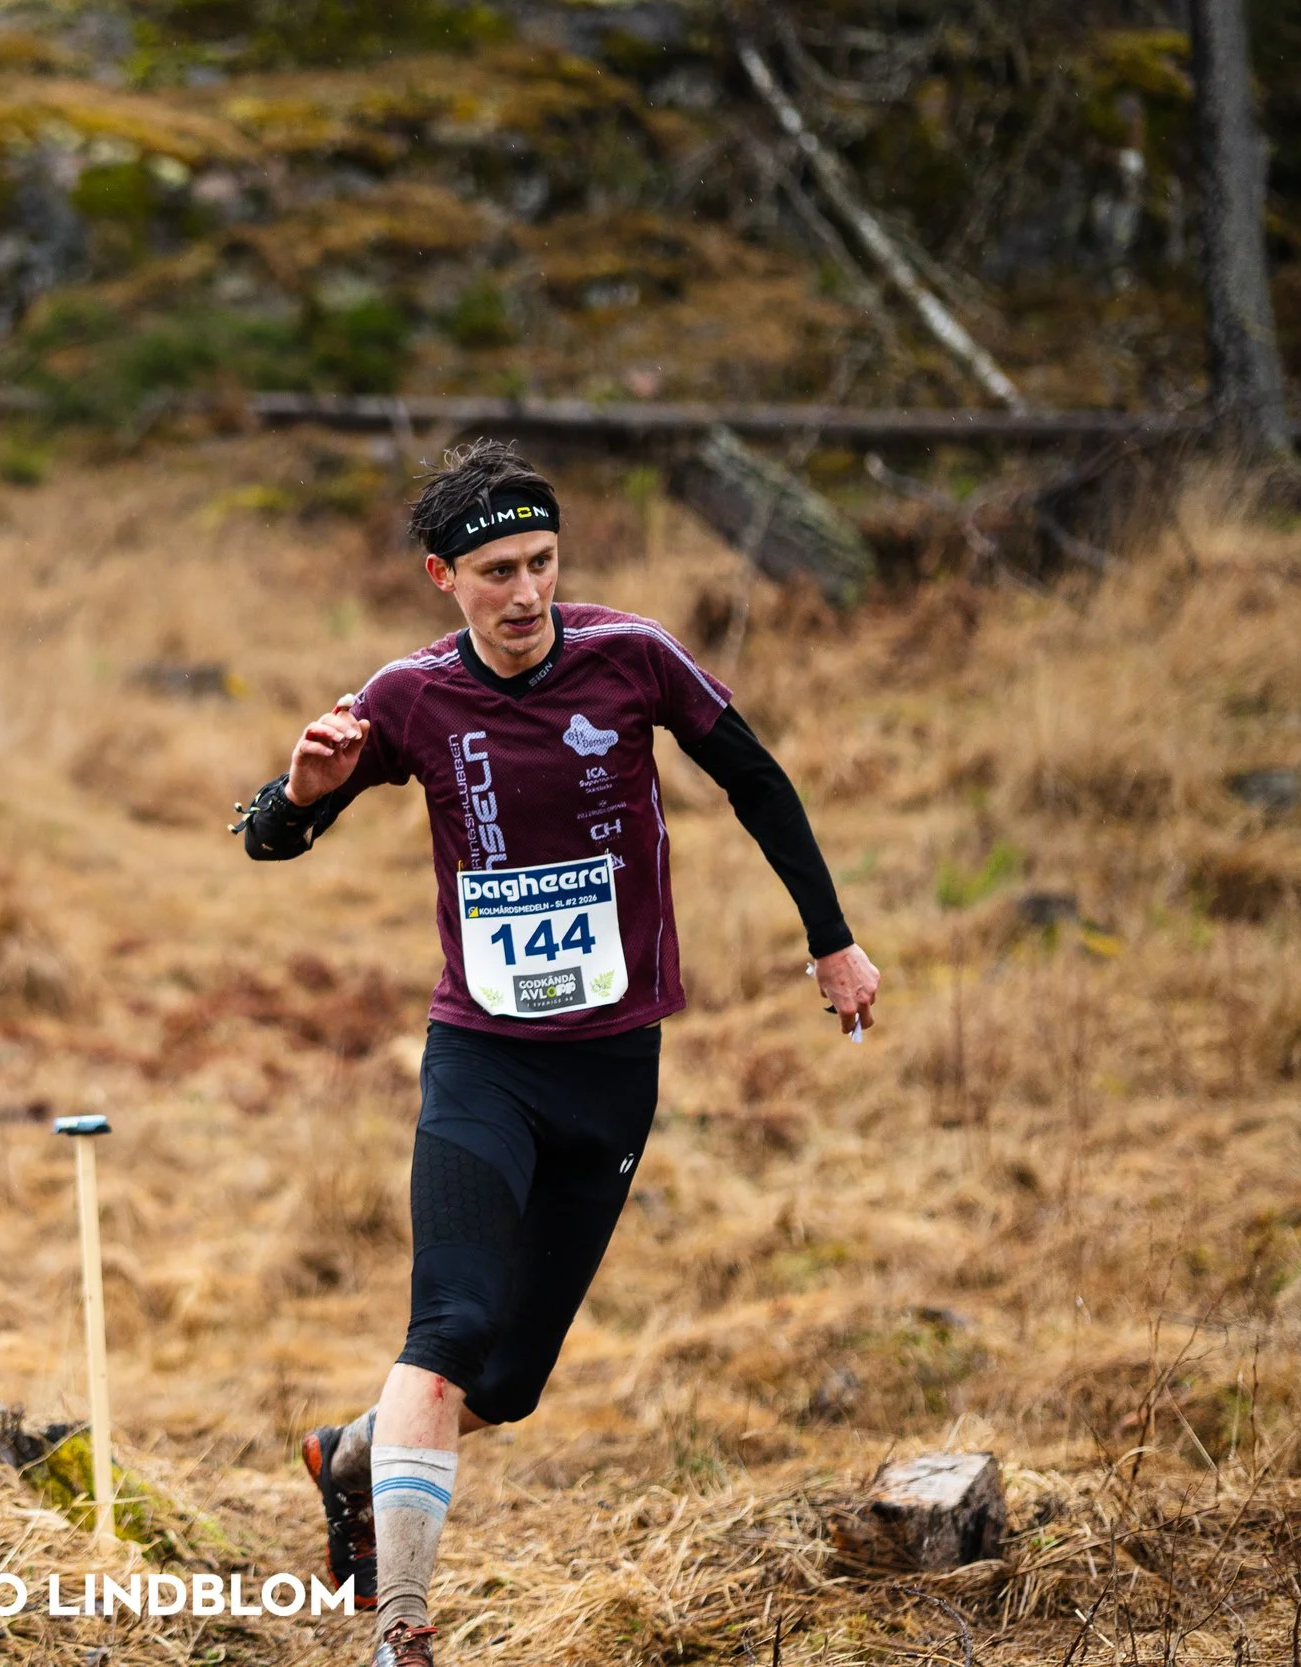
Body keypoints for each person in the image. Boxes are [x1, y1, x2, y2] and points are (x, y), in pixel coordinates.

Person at [233, 439, 880, 1667]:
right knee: (448, 1327)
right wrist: (302, 791)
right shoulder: (410, 697)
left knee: (510, 1382)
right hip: (482, 1057)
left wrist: (831, 940)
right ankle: (402, 1631)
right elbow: (269, 836)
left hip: (613, 1064)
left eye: (542, 562)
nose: (526, 591)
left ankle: (354, 1451)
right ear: (443, 577)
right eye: (497, 571)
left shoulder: (632, 656)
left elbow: (756, 780)